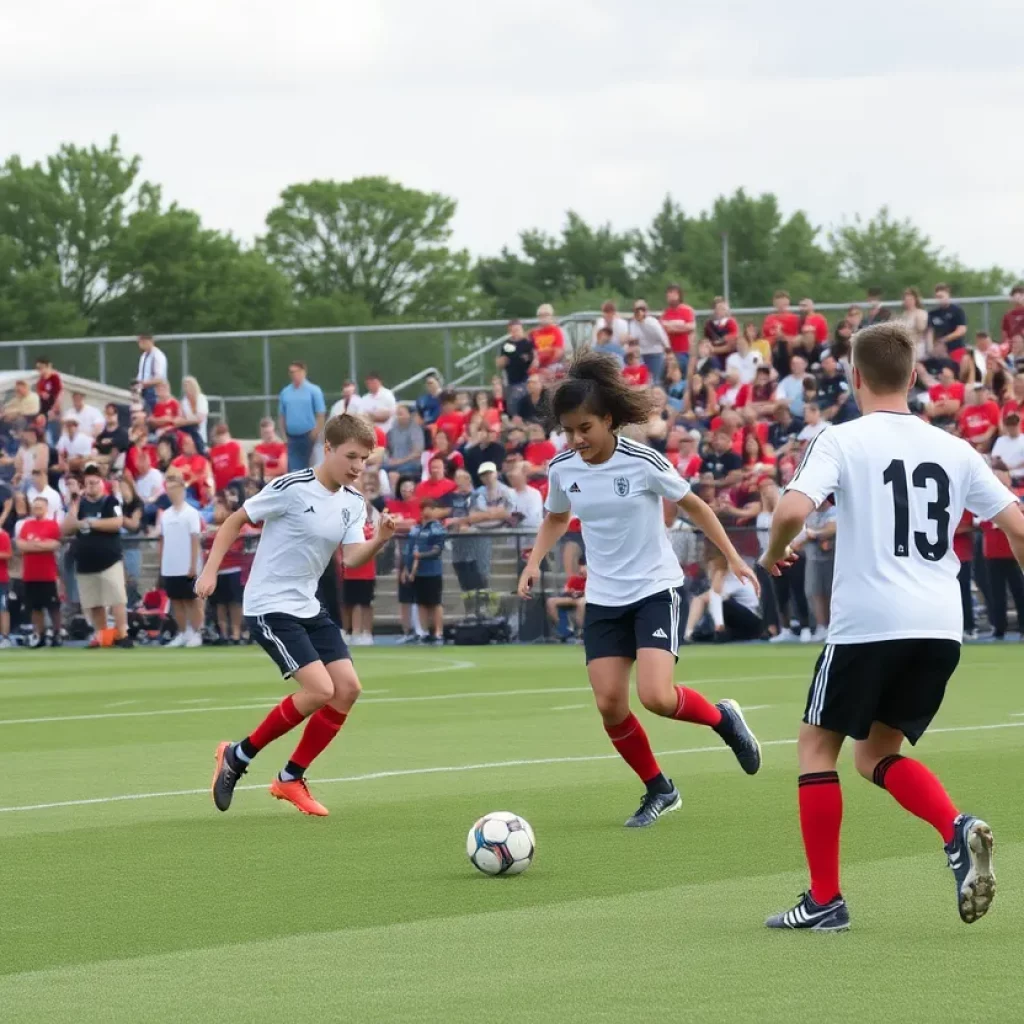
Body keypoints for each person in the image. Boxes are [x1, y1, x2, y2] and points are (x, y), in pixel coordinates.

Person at [759, 320, 1024, 932]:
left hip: (868, 623)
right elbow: (1015, 526)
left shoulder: (841, 438)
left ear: (854, 378)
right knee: (874, 752)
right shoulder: (955, 448)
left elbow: (793, 508)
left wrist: (774, 553)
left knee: (816, 747)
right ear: (912, 377)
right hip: (939, 626)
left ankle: (824, 900)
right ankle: (955, 830)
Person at [516, 351, 762, 829]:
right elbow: (557, 517)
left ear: (608, 420)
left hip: (655, 589)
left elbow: (695, 506)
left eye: (584, 428)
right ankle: (659, 788)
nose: (576, 439)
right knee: (610, 704)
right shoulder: (564, 467)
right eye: (568, 430)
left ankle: (723, 719)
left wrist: (732, 557)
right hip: (605, 597)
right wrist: (532, 561)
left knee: (656, 696)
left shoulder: (643, 460)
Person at [201, 414, 396, 817]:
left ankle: (290, 778)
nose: (359, 467)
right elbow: (236, 520)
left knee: (348, 689)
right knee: (321, 690)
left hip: (307, 605)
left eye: (365, 459)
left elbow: (352, 556)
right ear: (328, 449)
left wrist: (379, 539)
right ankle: (238, 756)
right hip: (270, 605)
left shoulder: (352, 502)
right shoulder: (292, 487)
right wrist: (209, 569)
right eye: (352, 457)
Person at [63, 465, 132, 648]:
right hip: (86, 562)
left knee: (117, 598)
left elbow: (117, 523)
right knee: (94, 602)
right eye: (88, 483)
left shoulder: (110, 502)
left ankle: (122, 633)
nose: (92, 486)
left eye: (95, 482)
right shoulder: (80, 504)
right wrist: (74, 505)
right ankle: (103, 636)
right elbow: (66, 528)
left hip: (109, 559)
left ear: (102, 483)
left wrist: (91, 523)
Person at [158, 475, 205, 648]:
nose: (171, 492)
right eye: (168, 488)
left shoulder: (191, 513)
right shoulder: (165, 515)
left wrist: (193, 564)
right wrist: (162, 563)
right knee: (176, 601)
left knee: (192, 600)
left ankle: (196, 633)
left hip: (187, 565)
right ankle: (183, 632)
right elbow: (162, 540)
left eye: (174, 488)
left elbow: (195, 539)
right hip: (171, 566)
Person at [16, 496, 62, 647]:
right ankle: (39, 634)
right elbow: (21, 545)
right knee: (35, 607)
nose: (37, 510)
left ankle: (57, 633)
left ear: (46, 508)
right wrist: (41, 545)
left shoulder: (52, 525)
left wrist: (34, 545)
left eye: (40, 507)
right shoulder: (27, 525)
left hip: (47, 573)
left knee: (53, 606)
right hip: (30, 574)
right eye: (35, 507)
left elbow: (54, 544)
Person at [402, 498, 448, 645]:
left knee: (435, 603)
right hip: (417, 572)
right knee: (421, 603)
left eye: (430, 508)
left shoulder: (438, 528)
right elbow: (409, 550)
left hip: (432, 571)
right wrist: (405, 568)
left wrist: (421, 556)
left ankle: (438, 632)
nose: (426, 511)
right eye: (424, 508)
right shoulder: (415, 528)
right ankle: (423, 632)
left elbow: (437, 550)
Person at [278, 361, 326, 472]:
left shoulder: (314, 391)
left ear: (303, 372)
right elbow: (282, 416)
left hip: (308, 435)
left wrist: (315, 433)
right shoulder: (285, 392)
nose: (294, 374)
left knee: (310, 468)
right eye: (291, 372)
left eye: (296, 371)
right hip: (292, 437)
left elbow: (320, 414)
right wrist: (284, 436)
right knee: (294, 469)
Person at [627, 300, 671, 384]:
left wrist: (668, 352)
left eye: (642, 309)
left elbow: (663, 337)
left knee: (655, 380)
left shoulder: (652, 322)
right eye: (637, 310)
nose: (639, 312)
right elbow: (634, 338)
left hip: (655, 352)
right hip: (642, 353)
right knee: (643, 380)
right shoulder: (633, 323)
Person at [928, 284, 968, 357]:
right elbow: (930, 331)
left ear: (948, 295)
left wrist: (944, 340)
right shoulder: (932, 314)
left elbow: (961, 330)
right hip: (938, 350)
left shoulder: (957, 311)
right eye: (937, 297)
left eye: (941, 297)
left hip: (955, 348)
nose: (939, 299)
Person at [136, 334, 168, 411]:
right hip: (142, 389)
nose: (142, 344)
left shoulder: (157, 356)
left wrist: (145, 383)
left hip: (153, 391)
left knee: (151, 411)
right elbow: (141, 373)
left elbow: (159, 378)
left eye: (144, 342)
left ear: (150, 341)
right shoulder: (143, 356)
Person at [0, 524, 10, 646]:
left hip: (1, 578)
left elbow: (7, 554)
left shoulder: (2, 535)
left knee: (3, 607)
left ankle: (5, 637)